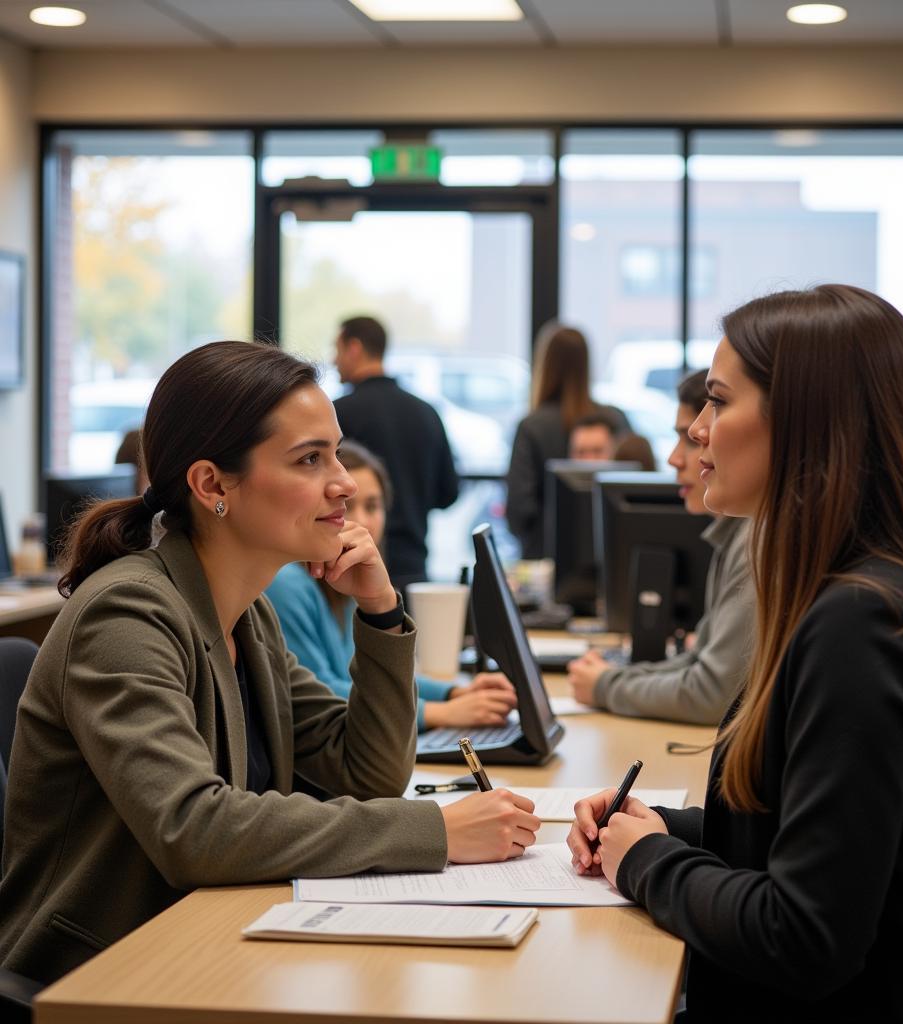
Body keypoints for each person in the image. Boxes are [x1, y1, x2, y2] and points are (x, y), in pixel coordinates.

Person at [0, 340, 540, 986]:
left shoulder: (247, 616)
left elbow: (366, 773)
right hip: (95, 977)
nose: (343, 482)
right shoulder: (124, 617)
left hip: (207, 947)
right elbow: (194, 828)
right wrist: (437, 831)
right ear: (211, 485)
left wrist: (379, 610)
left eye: (336, 452)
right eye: (310, 459)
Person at [568, 285, 903, 1022]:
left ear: (806, 425)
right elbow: (818, 832)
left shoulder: (863, 622)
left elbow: (804, 936)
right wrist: (655, 825)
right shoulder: (866, 592)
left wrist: (645, 862)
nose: (698, 436)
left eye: (717, 403)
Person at [266, 439, 517, 731]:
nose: (362, 521)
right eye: (347, 507)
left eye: (372, 506)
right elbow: (319, 693)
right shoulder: (287, 583)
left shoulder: (345, 580)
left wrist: (453, 693)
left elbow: (371, 676)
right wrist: (439, 713)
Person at [566, 370, 754, 725]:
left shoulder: (755, 542)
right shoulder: (735, 535)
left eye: (689, 439)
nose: (674, 458)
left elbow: (713, 693)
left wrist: (607, 685)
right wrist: (614, 678)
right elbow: (700, 664)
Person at [332, 315, 460, 593]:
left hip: (348, 567)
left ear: (354, 348)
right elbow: (448, 493)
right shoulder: (426, 413)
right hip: (414, 567)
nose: (334, 360)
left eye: (337, 349)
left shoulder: (337, 415)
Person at [506, 323, 629, 558]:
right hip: (612, 554)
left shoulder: (531, 427)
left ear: (545, 365)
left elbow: (519, 512)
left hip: (545, 560)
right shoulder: (616, 420)